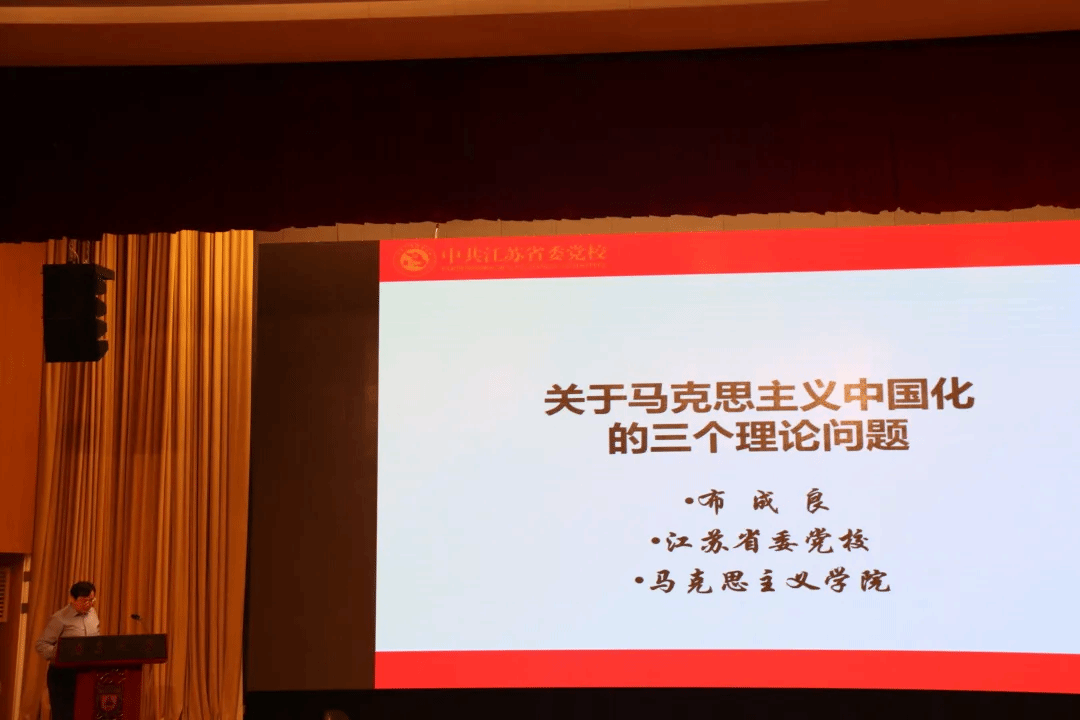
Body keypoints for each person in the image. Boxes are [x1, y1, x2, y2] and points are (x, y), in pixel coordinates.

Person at [35, 581, 100, 720]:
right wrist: (61, 652)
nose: (89, 604)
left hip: (87, 672)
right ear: (73, 599)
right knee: (65, 715)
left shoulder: (93, 614)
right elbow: (41, 644)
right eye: (85, 601)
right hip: (63, 675)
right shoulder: (60, 618)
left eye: (92, 600)